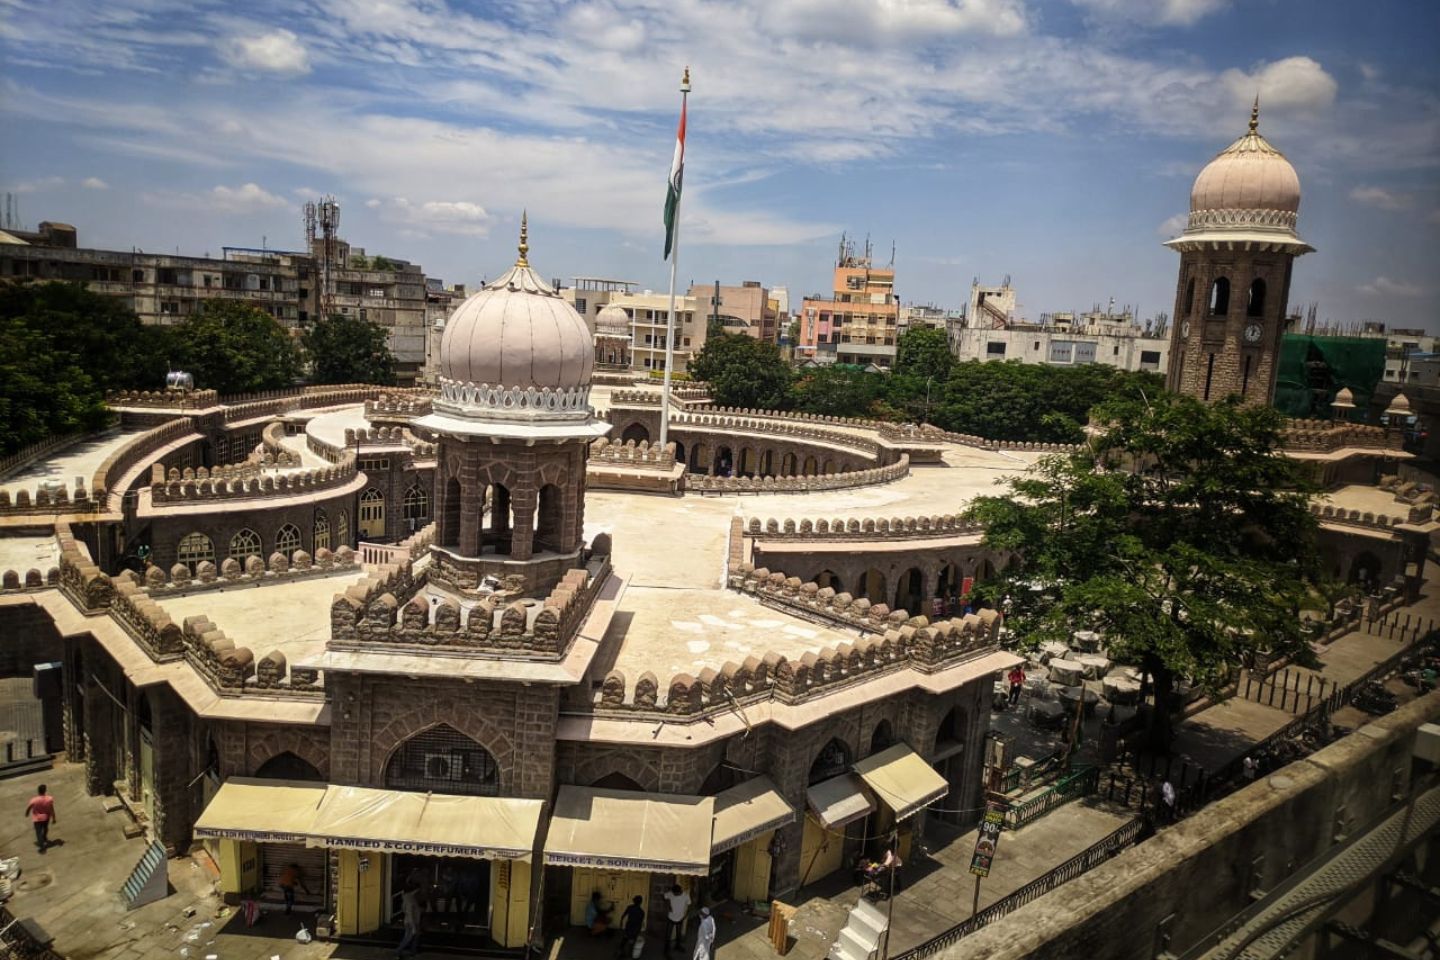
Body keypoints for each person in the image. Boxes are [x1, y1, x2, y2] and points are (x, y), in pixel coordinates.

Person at [396, 881, 424, 958]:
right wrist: (414, 927)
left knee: (415, 936)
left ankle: (413, 951)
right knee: (408, 937)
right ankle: (398, 951)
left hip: (413, 921)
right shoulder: (410, 899)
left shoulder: (408, 898)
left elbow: (404, 909)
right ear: (416, 890)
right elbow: (409, 913)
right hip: (411, 922)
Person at [25, 784, 56, 853]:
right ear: (45, 791)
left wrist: (27, 813)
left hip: (37, 819)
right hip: (46, 818)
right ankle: (44, 837)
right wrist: (54, 818)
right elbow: (52, 809)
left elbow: (29, 807)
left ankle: (41, 845)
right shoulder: (49, 799)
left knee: (38, 832)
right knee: (45, 828)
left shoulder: (34, 800)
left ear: (38, 791)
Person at [663, 883, 691, 955]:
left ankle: (677, 946)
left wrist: (686, 915)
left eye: (676, 893)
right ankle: (666, 948)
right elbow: (664, 897)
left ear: (680, 891)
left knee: (679, 934)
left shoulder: (686, 895)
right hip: (670, 917)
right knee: (668, 934)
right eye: (673, 893)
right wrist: (668, 904)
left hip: (680, 918)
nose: (674, 895)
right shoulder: (670, 893)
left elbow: (689, 905)